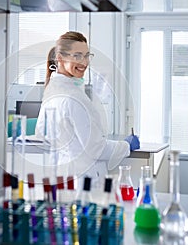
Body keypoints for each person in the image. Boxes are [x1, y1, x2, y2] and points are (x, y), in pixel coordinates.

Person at [35, 31, 130, 188]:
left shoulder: (51, 93)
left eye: (87, 56)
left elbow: (41, 135)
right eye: (77, 56)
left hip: (61, 178)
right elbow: (96, 148)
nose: (84, 62)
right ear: (60, 58)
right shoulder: (72, 98)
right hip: (83, 182)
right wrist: (126, 146)